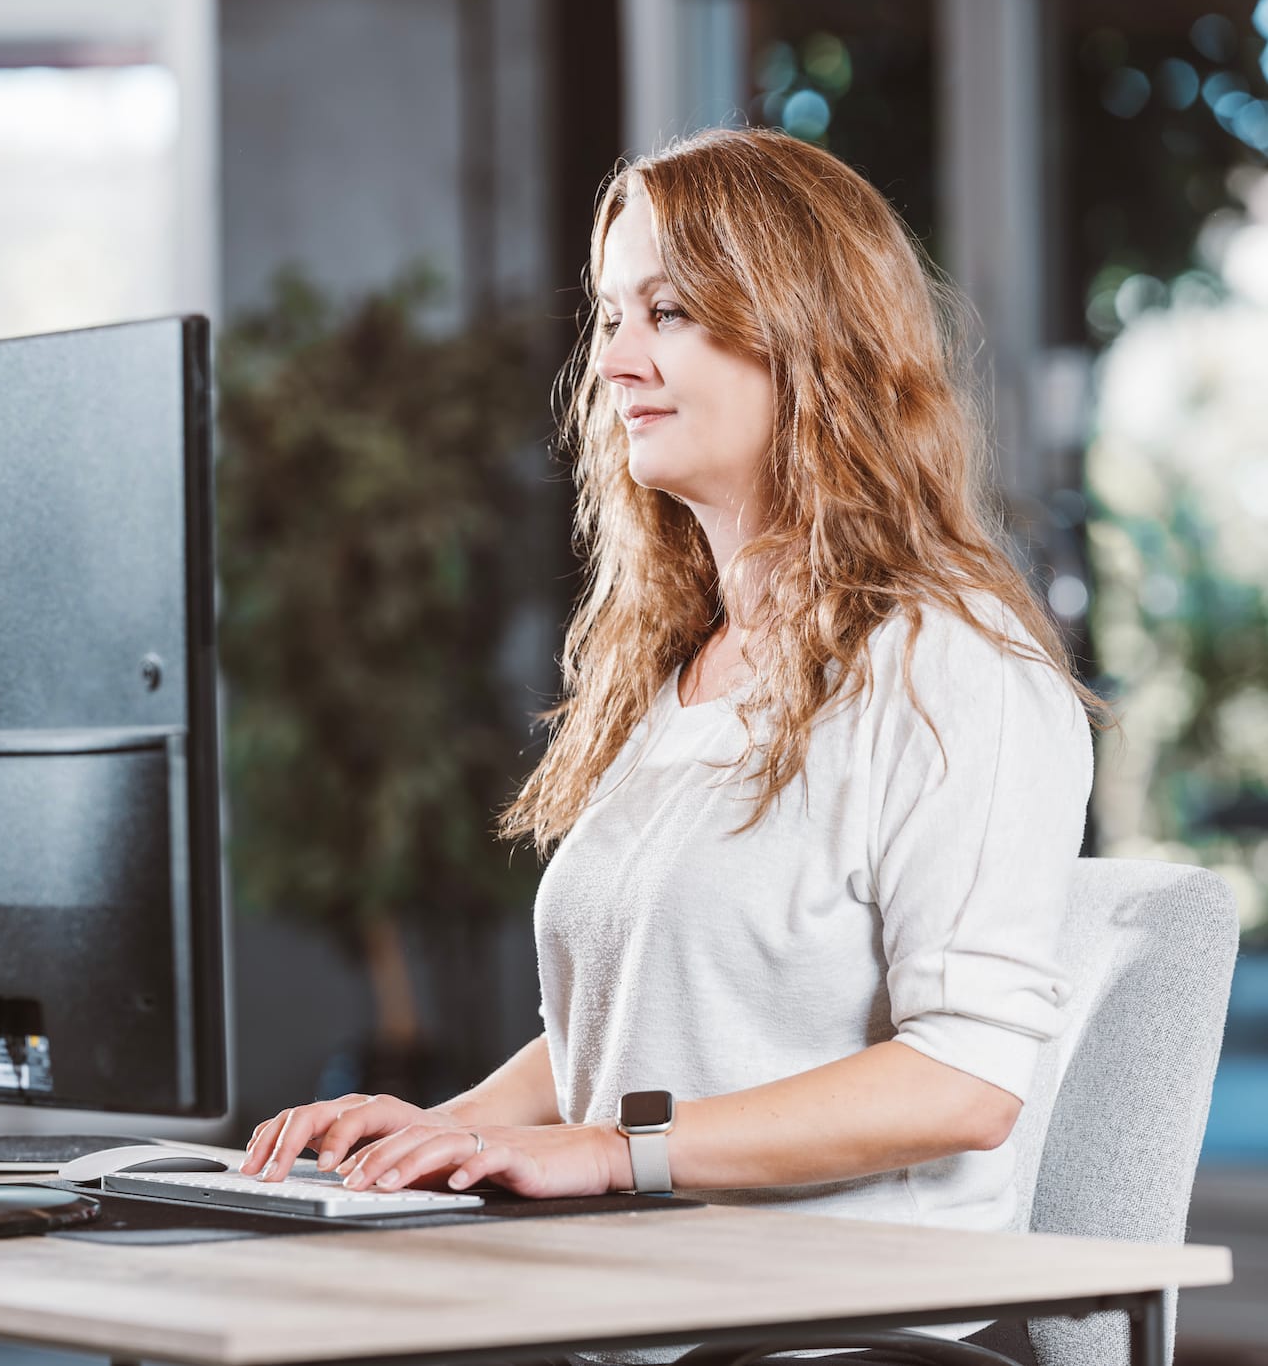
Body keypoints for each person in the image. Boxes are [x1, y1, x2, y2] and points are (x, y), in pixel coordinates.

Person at [241, 128, 1102, 1364]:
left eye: (673, 311)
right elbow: (637, 1025)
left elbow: (960, 1082)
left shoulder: (953, 671)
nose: (617, 361)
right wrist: (442, 1135)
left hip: (826, 1339)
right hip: (636, 1308)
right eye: (609, 318)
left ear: (813, 337)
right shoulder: (687, 665)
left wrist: (608, 1150)